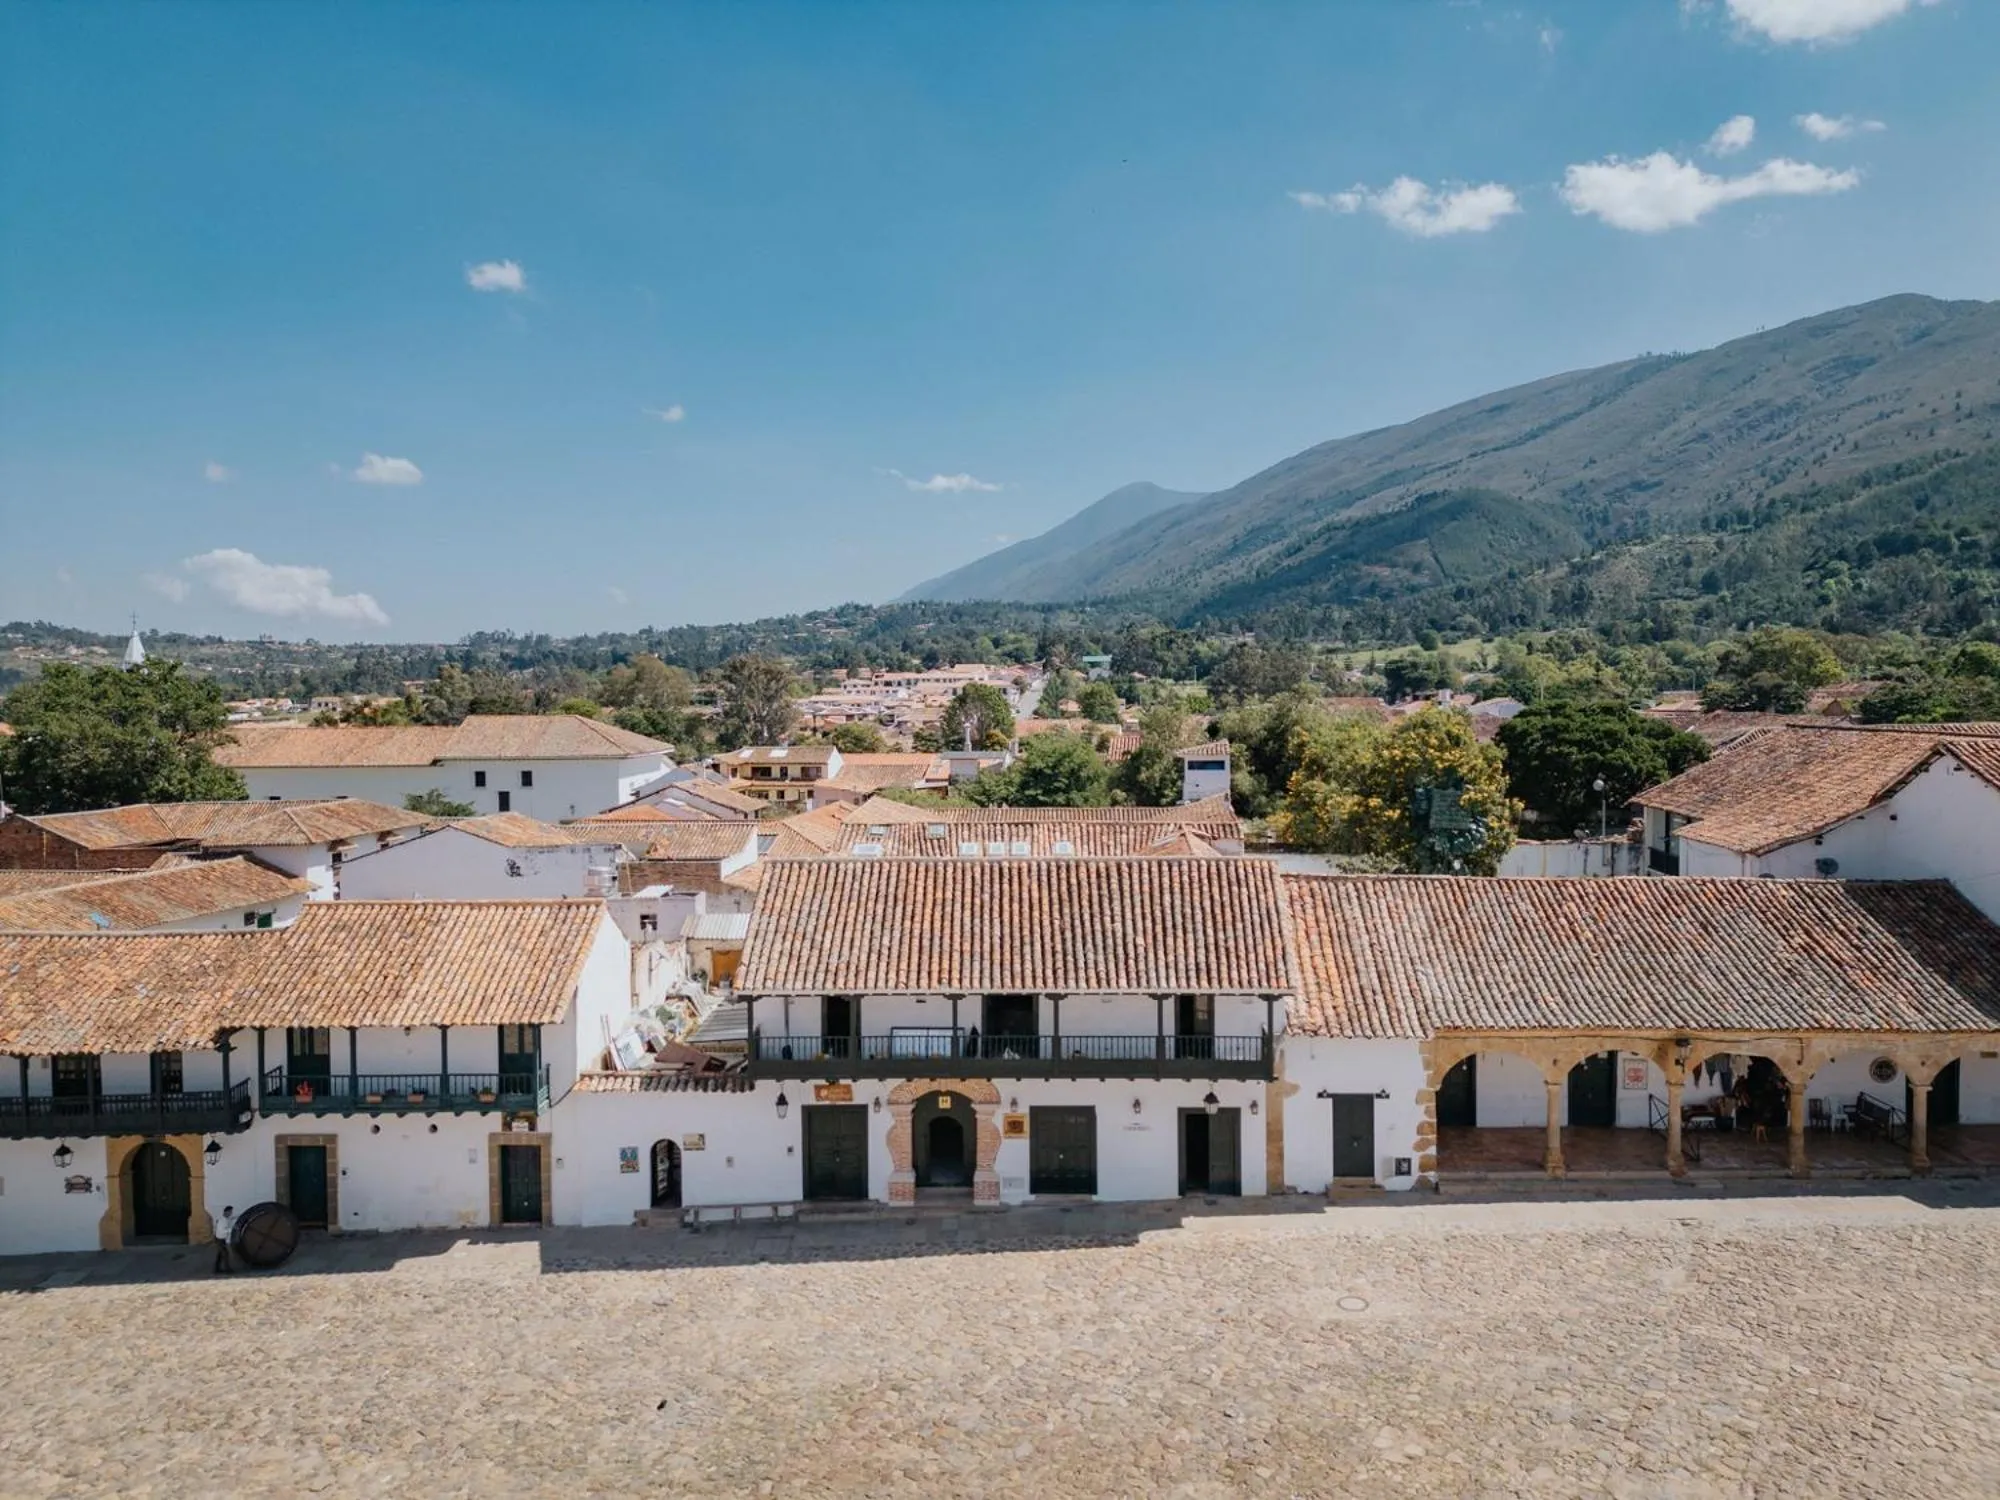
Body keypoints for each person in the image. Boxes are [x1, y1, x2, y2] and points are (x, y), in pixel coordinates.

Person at [214, 1205, 236, 1273]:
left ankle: (216, 1269)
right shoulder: (222, 1221)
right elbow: (222, 1231)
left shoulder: (226, 1219)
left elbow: (232, 1218)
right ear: (226, 1212)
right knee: (225, 1254)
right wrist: (231, 1230)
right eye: (230, 1212)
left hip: (221, 1239)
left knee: (220, 1255)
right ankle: (227, 1270)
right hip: (219, 1239)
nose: (231, 1213)